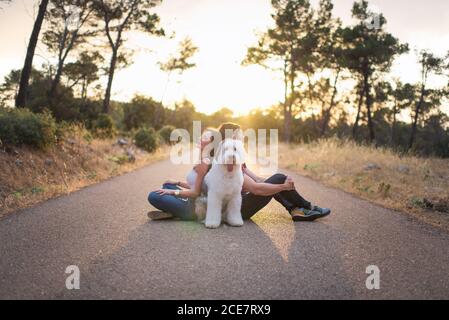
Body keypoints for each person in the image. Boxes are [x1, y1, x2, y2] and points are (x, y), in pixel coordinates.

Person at [147, 123, 331, 222]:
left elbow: (257, 180)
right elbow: (257, 189)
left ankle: (298, 208)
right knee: (164, 188)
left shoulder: (235, 158)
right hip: (238, 208)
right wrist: (283, 186)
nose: (241, 138)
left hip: (223, 201)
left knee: (163, 190)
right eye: (238, 135)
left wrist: (279, 185)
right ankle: (300, 208)